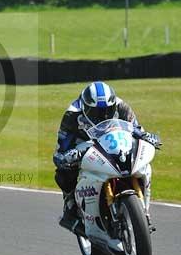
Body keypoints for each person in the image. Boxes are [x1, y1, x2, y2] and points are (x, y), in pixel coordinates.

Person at [52, 81, 157, 233]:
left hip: (114, 139)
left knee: (140, 163)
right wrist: (66, 156)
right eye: (96, 112)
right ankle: (70, 206)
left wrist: (146, 136)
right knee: (64, 172)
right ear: (85, 107)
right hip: (84, 144)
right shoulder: (72, 114)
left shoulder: (121, 106)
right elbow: (61, 148)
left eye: (107, 111)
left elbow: (136, 128)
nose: (102, 116)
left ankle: (144, 213)